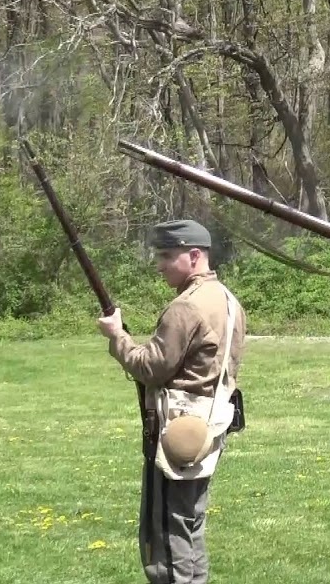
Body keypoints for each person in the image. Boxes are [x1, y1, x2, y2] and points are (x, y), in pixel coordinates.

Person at [96, 219, 248, 584]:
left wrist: (118, 337)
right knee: (189, 523)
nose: (161, 263)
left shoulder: (187, 306)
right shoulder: (228, 300)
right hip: (209, 427)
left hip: (177, 430)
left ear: (194, 255)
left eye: (168, 255)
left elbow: (151, 367)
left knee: (168, 532)